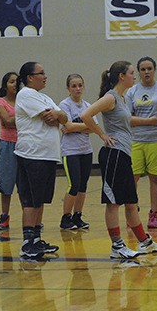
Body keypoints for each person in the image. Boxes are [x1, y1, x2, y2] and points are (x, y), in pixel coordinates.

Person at [81, 61, 157, 259]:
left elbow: (128, 121)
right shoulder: (110, 97)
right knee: (113, 202)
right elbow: (86, 115)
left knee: (130, 201)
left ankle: (145, 242)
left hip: (124, 154)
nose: (134, 76)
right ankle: (117, 246)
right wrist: (102, 135)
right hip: (114, 154)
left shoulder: (122, 98)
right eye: (131, 73)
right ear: (121, 76)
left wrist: (150, 122)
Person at [15, 62, 67, 258]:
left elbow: (63, 117)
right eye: (41, 73)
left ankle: (36, 239)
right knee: (31, 200)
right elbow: (49, 117)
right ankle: (27, 244)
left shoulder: (44, 96)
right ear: (30, 77)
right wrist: (57, 115)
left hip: (46, 155)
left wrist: (59, 114)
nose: (45, 76)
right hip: (32, 154)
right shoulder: (26, 94)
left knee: (40, 199)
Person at [126, 56, 157, 229]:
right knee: (132, 178)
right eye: (143, 69)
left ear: (154, 69)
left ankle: (154, 214)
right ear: (138, 72)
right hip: (137, 139)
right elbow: (128, 118)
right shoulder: (132, 91)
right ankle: (132, 210)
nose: (146, 72)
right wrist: (148, 121)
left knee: (156, 178)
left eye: (149, 68)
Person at [58, 73, 94, 230]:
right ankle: (65, 218)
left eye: (80, 85)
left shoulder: (88, 106)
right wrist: (84, 126)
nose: (77, 88)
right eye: (74, 86)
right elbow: (67, 126)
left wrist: (75, 127)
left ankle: (77, 216)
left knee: (83, 186)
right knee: (74, 184)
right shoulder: (64, 105)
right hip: (70, 151)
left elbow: (93, 127)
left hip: (86, 150)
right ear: (68, 88)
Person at [0, 72, 18, 231]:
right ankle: (4, 216)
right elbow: (8, 122)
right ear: (5, 85)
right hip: (8, 144)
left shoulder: (23, 101)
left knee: (25, 184)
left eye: (17, 82)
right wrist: (27, 115)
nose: (15, 84)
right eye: (11, 81)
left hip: (24, 144)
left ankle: (30, 217)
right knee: (6, 181)